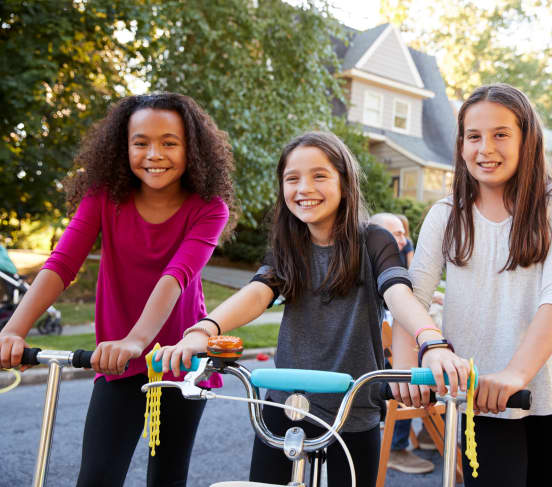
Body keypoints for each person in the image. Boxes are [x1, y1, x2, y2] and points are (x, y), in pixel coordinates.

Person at [156, 132, 469, 487]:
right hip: (284, 402)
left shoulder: (373, 239)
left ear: (345, 183)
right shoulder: (288, 245)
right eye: (293, 178)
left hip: (352, 408)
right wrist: (203, 331)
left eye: (319, 176)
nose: (305, 187)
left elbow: (398, 293)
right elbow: (258, 293)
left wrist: (431, 342)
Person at [0, 93, 237, 486]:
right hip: (116, 360)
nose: (154, 153)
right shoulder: (103, 199)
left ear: (191, 149)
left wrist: (136, 339)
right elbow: (61, 265)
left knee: (167, 477)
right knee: (97, 476)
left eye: (169, 142)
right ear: (123, 147)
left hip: (179, 360)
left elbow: (176, 275)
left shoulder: (209, 208)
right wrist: (13, 329)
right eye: (140, 142)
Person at [390, 83, 552, 486]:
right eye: (474, 136)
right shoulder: (446, 214)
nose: (485, 148)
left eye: (501, 134)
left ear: (527, 139)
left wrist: (516, 374)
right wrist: (403, 369)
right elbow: (411, 298)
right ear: (461, 144)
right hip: (482, 396)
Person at [370, 212, 435, 475]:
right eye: (395, 233)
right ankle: (397, 446)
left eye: (402, 233)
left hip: (394, 347)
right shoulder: (372, 268)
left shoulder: (396, 261)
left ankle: (431, 433)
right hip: (381, 354)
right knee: (410, 372)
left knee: (436, 363)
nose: (403, 239)